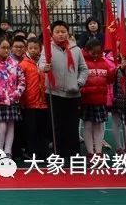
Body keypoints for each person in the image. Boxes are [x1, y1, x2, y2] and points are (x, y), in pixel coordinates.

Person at [39, 20, 89, 161]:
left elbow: (84, 69)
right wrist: (44, 68)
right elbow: (41, 63)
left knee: (72, 124)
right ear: (52, 34)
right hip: (54, 93)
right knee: (57, 125)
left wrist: (79, 83)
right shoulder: (47, 48)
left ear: (68, 33)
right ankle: (58, 152)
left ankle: (74, 153)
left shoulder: (76, 49)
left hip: (73, 93)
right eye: (57, 32)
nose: (61, 35)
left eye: (63, 32)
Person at [0, 37, 25, 157]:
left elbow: (22, 81)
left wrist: (16, 93)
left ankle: (8, 151)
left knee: (11, 126)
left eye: (8, 48)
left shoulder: (14, 64)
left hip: (12, 99)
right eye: (3, 47)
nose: (6, 50)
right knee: (2, 126)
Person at [80, 38, 117, 158]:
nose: (96, 55)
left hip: (100, 100)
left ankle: (99, 152)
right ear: (87, 50)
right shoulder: (82, 62)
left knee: (99, 126)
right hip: (87, 100)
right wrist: (87, 91)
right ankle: (90, 152)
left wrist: (115, 71)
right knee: (88, 126)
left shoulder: (104, 62)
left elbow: (110, 80)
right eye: (93, 52)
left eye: (99, 52)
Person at [19, 38, 49, 159]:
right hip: (29, 103)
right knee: (31, 129)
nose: (33, 50)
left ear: (40, 49)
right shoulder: (23, 65)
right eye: (30, 48)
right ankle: (31, 152)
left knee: (43, 129)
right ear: (27, 49)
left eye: (35, 48)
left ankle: (43, 151)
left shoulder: (43, 64)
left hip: (43, 102)